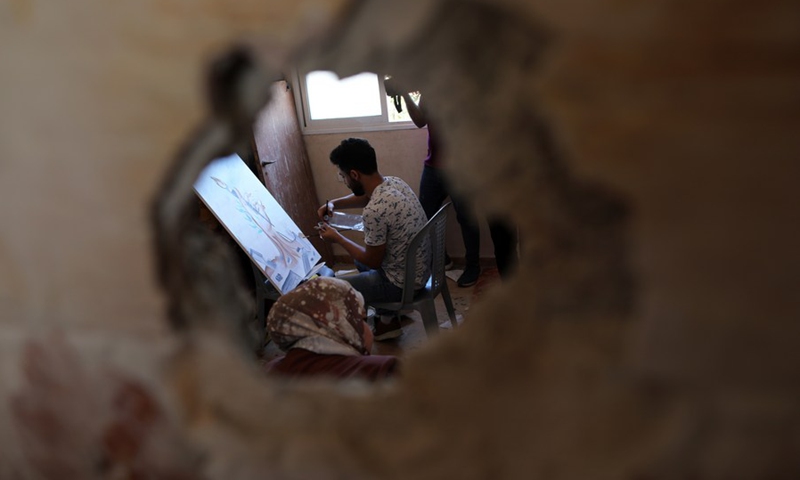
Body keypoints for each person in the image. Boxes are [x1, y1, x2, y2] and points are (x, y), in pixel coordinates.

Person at [385, 82, 518, 286]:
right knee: (423, 216)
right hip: (433, 167)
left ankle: (472, 266)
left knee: (467, 219)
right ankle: (441, 260)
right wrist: (404, 93)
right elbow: (420, 120)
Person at [316, 138, 429, 341]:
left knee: (332, 290)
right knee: (359, 259)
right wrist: (334, 204)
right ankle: (388, 321)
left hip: (401, 285)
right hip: (419, 270)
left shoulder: (374, 211)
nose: (345, 181)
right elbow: (366, 196)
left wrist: (337, 238)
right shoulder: (394, 183)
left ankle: (370, 326)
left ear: (354, 175)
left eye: (343, 177)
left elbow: (373, 261)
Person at [265, 277, 399, 381]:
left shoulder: (268, 374)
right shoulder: (380, 371)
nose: (368, 329)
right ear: (341, 325)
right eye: (361, 319)